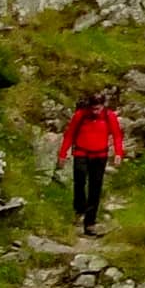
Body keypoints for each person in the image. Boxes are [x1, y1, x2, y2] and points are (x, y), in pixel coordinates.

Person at [56, 92, 126, 236]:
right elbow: (70, 134)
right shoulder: (80, 115)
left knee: (95, 187)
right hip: (81, 152)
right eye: (93, 109)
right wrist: (63, 154)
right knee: (79, 181)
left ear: (102, 106)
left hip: (100, 155)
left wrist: (118, 153)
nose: (95, 112)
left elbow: (117, 135)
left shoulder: (109, 116)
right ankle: (80, 209)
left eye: (98, 109)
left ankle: (90, 223)